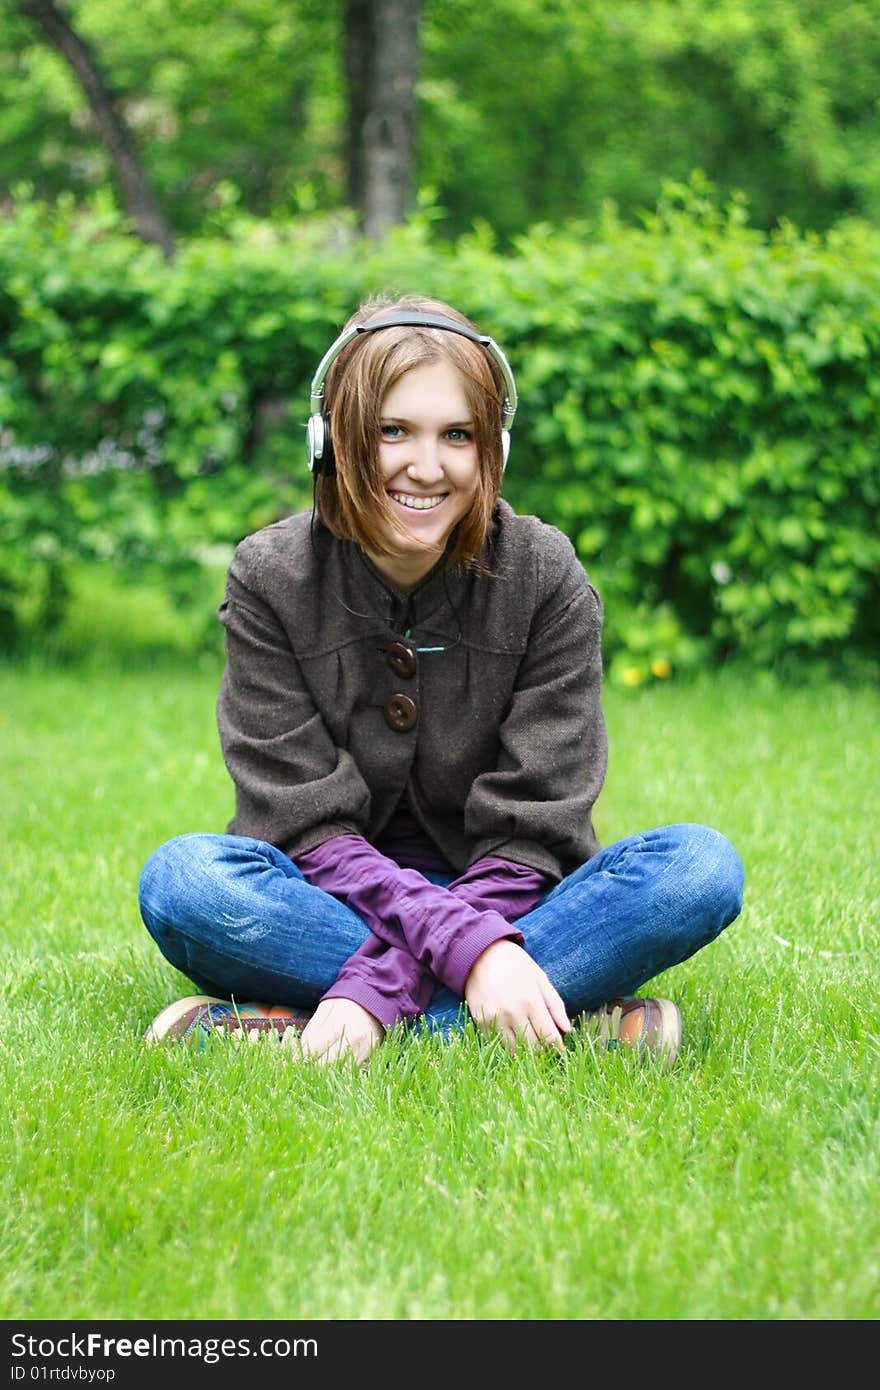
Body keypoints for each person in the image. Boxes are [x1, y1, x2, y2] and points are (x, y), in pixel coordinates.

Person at [138, 294, 744, 1067]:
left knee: (698, 868)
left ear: (494, 448)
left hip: (514, 895)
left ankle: (330, 1022)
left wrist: (408, 970)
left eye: (457, 435)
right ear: (335, 439)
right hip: (333, 896)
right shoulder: (270, 577)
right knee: (186, 881)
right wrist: (480, 955)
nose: (426, 467)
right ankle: (541, 1019)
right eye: (394, 431)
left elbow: (535, 835)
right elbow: (304, 827)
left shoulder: (545, 574)